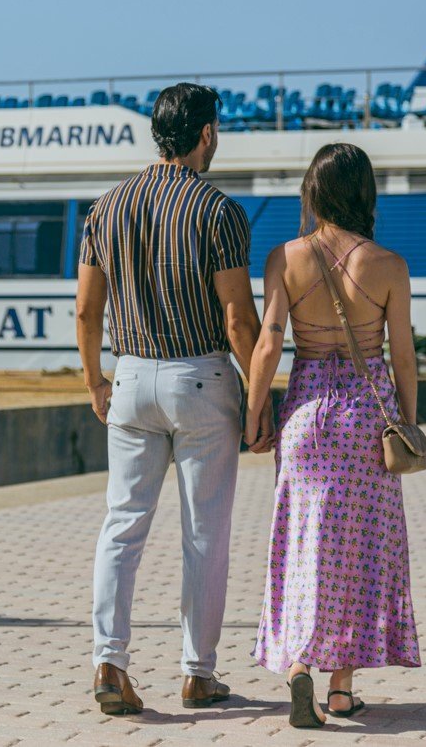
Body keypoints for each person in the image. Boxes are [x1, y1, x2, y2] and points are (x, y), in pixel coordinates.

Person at [76, 82, 267, 715]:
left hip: (130, 379)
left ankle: (109, 662)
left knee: (122, 525)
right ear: (206, 133)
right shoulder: (218, 212)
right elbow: (239, 319)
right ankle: (197, 673)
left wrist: (95, 382)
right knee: (204, 533)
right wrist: (263, 394)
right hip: (201, 379)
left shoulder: (105, 208)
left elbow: (86, 307)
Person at [243, 142, 422, 728]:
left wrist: (254, 414)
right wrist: (407, 423)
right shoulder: (389, 264)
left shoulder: (286, 258)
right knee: (357, 552)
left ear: (312, 193)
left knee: (301, 544)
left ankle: (298, 666)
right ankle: (342, 689)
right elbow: (403, 359)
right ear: (364, 194)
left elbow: (269, 342)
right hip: (365, 421)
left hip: (305, 415)